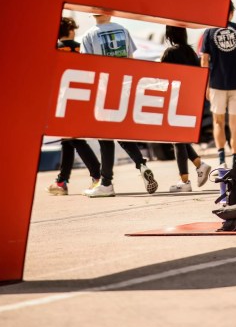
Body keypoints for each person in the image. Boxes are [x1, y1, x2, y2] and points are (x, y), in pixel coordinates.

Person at [81, 13, 158, 197]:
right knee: (121, 133)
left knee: (105, 137)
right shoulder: (123, 30)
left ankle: (106, 183)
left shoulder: (89, 35)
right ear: (110, 12)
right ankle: (141, 164)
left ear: (92, 13)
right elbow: (131, 61)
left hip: (103, 90)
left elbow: (87, 66)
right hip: (124, 88)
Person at [46, 16, 103, 196]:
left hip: (63, 99)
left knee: (74, 139)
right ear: (71, 30)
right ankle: (62, 181)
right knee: (68, 140)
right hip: (83, 97)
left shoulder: (54, 49)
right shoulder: (82, 48)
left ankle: (97, 175)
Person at [200, 1, 236, 168]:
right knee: (235, 124)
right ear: (231, 12)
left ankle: (222, 161)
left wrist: (206, 85)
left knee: (218, 122)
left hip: (216, 84)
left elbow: (204, 60)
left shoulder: (209, 32)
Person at [160, 25, 212, 192]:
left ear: (169, 35)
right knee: (179, 138)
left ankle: (185, 181)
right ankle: (199, 164)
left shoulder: (169, 53)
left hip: (174, 99)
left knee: (177, 139)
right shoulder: (191, 53)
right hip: (190, 100)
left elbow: (161, 76)